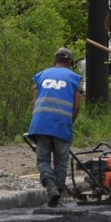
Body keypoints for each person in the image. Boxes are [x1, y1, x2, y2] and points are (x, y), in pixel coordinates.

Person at [28, 47, 82, 206]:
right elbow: (76, 106)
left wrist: (37, 120)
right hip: (61, 124)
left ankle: (51, 188)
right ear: (70, 62)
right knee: (61, 161)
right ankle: (57, 191)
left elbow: (34, 102)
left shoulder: (41, 75)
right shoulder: (75, 78)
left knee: (43, 160)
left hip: (41, 123)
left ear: (54, 61)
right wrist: (70, 121)